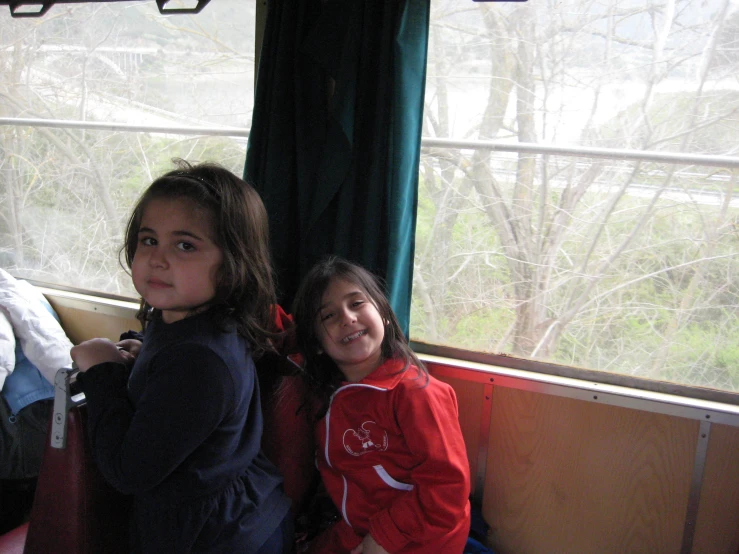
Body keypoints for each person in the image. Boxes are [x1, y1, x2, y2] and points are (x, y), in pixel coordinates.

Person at [69, 160, 293, 554]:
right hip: (236, 513)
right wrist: (142, 354)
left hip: (214, 537)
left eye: (185, 245)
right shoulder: (188, 317)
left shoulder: (199, 362)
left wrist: (103, 370)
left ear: (231, 266)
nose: (158, 258)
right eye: (149, 239)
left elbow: (127, 470)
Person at [292, 257, 471, 554]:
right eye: (328, 316)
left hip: (419, 537)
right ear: (318, 344)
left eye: (357, 303)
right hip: (360, 526)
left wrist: (384, 538)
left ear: (384, 315)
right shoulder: (332, 393)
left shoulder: (415, 393)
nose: (347, 318)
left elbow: (447, 489)